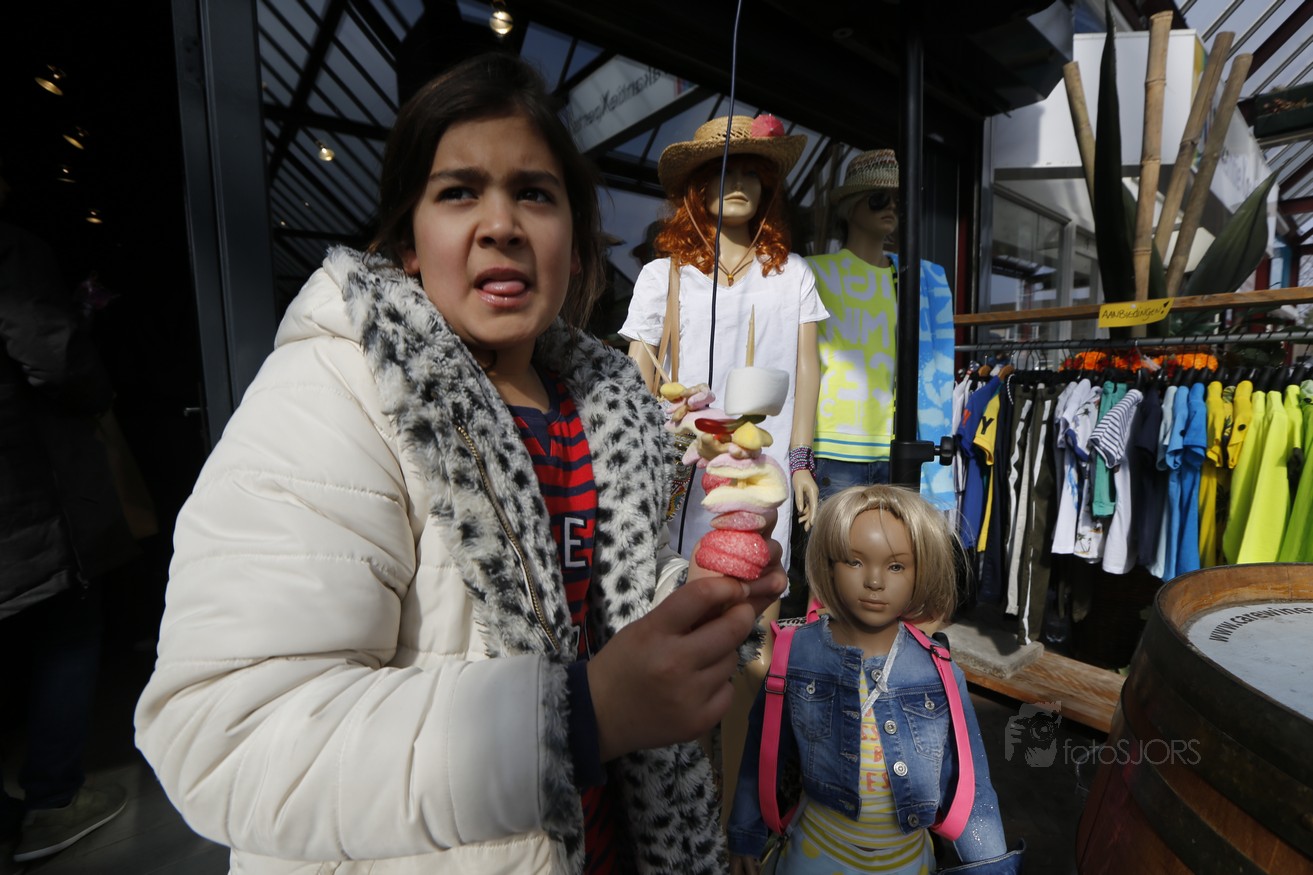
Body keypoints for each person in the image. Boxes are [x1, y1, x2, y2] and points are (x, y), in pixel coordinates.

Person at [133, 52, 785, 875]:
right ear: (408, 241)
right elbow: (223, 734)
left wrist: (692, 607)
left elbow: (598, 614)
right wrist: (579, 717)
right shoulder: (334, 392)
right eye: (458, 191)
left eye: (535, 193)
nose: (501, 223)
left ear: (574, 245)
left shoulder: (605, 406)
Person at [728, 485, 1020, 874]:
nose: (875, 581)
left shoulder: (938, 671)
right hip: (814, 856)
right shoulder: (795, 655)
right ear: (830, 565)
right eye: (854, 561)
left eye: (896, 566)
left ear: (919, 572)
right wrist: (745, 836)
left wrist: (988, 865)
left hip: (909, 863)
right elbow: (761, 753)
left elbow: (970, 784)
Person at [621, 114, 829, 567]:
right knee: (683, 586)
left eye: (751, 172)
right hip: (684, 468)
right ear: (698, 188)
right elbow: (636, 376)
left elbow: (808, 372)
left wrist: (800, 462)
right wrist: (635, 459)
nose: (738, 183)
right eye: (723, 171)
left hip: (764, 470)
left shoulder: (793, 274)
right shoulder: (663, 276)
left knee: (760, 581)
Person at [0, 167, 131, 862]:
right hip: (25, 492)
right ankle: (52, 802)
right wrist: (96, 382)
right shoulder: (10, 248)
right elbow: (50, 353)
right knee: (71, 630)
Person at [807, 151, 955, 508]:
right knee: (831, 544)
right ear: (851, 206)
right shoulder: (814, 273)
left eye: (897, 200)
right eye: (878, 198)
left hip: (896, 446)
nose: (890, 206)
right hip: (832, 447)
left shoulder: (916, 281)